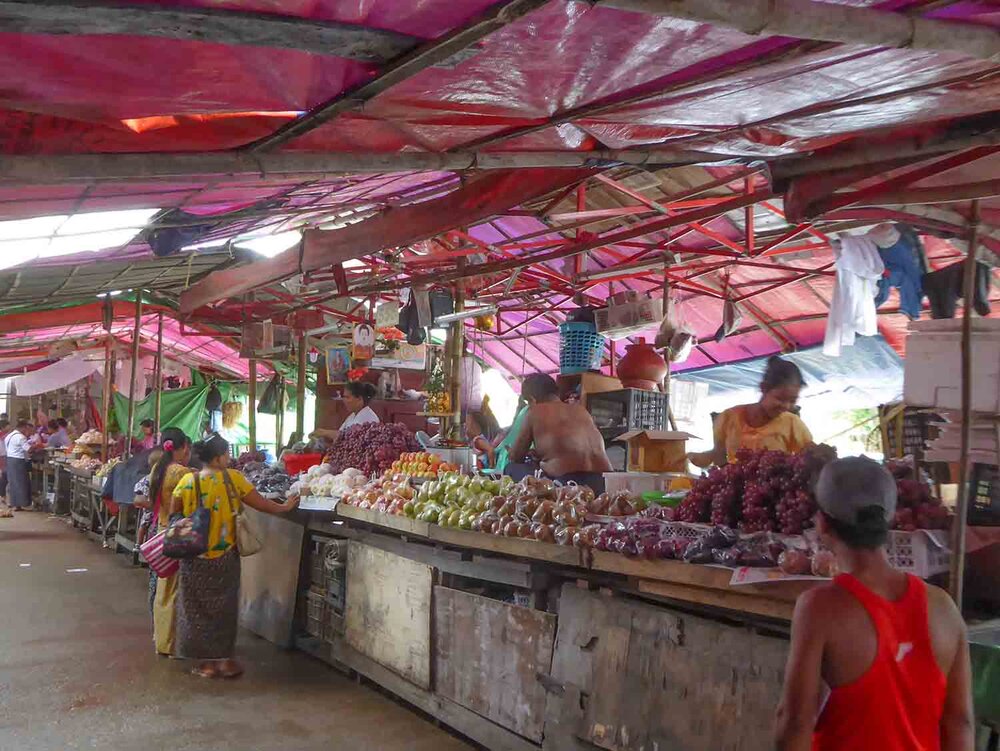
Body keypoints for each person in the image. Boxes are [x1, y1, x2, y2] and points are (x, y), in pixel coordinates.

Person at [775, 457, 974, 751]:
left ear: (822, 523)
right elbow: (960, 723)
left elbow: (795, 722)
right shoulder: (943, 606)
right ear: (889, 519)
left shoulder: (819, 609)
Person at [172, 433, 299, 678]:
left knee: (195, 609)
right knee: (225, 609)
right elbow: (261, 503)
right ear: (219, 458)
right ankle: (225, 661)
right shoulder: (233, 479)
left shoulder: (189, 481)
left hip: (193, 556)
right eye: (227, 454)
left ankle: (206, 664)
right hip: (225, 556)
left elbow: (173, 513)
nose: (229, 458)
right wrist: (284, 507)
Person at [689, 356, 813, 468]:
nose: (786, 406)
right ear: (763, 388)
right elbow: (719, 456)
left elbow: (809, 457)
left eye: (792, 401)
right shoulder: (728, 418)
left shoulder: (793, 424)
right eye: (780, 399)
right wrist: (705, 458)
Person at [508, 373, 612, 492]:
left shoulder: (534, 411)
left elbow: (515, 456)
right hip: (603, 483)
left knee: (511, 468)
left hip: (567, 485)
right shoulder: (580, 410)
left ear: (532, 399)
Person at [141, 428, 192, 656]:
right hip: (176, 533)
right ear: (182, 448)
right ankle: (171, 643)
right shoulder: (181, 473)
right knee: (175, 589)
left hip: (160, 530)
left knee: (163, 588)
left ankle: (161, 639)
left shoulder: (157, 469)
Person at [310, 381, 379, 445]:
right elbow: (341, 434)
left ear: (359, 399)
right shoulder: (353, 415)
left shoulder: (368, 418)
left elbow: (348, 437)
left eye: (347, 397)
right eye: (344, 397)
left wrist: (324, 432)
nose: (344, 400)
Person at [466, 402, 502, 470]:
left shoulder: (478, 440)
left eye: (468, 426)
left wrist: (491, 467)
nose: (466, 429)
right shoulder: (474, 440)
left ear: (476, 427)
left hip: (481, 467)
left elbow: (490, 450)